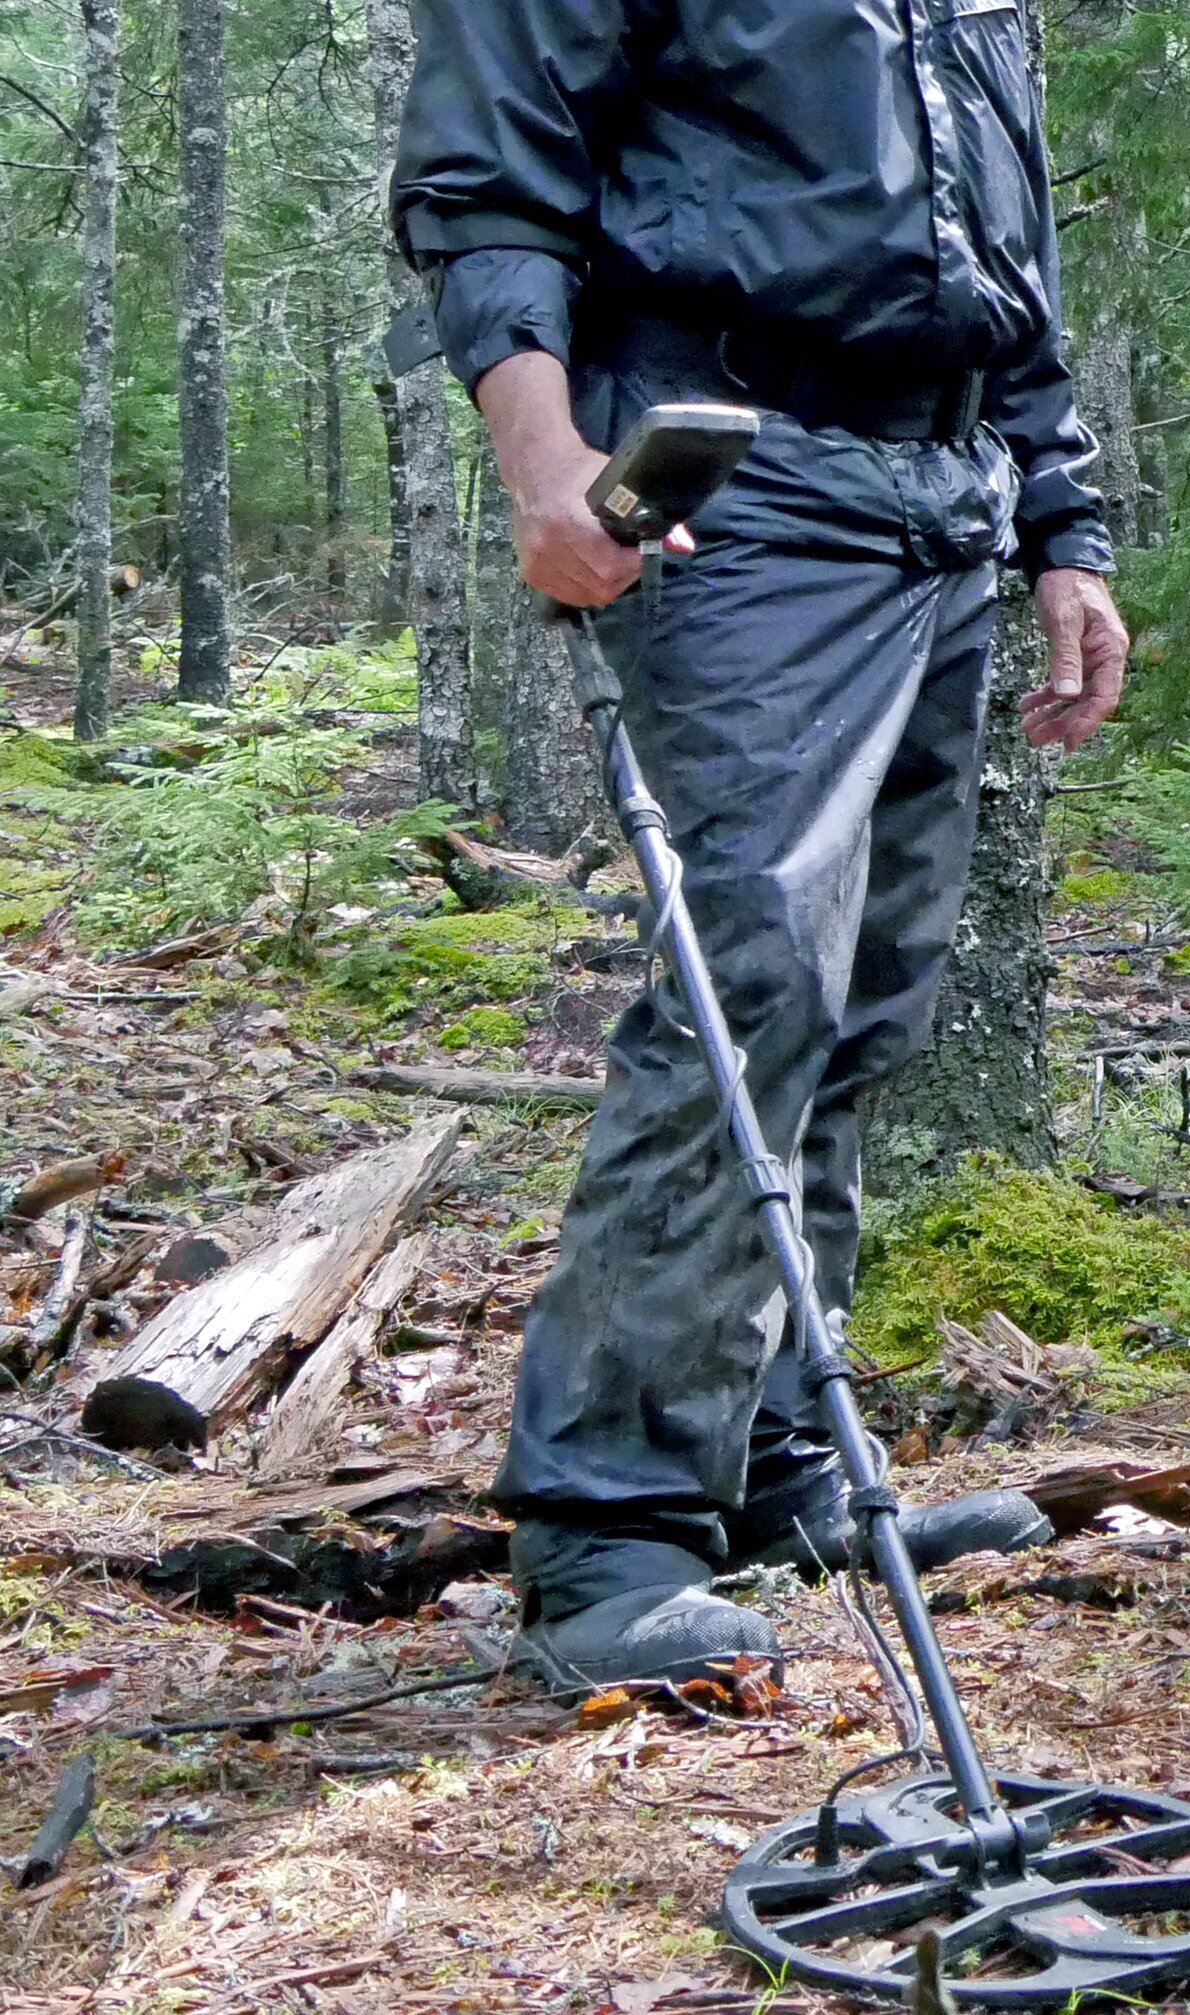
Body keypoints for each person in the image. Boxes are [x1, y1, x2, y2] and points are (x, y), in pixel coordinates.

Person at [393, 0, 1133, 1690]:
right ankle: (609, 1523)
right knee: (752, 976)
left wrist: (1062, 533)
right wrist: (543, 460)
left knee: (869, 998)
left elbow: (998, 262)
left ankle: (776, 1461)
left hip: (946, 497)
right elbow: (487, 171)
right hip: (742, 480)